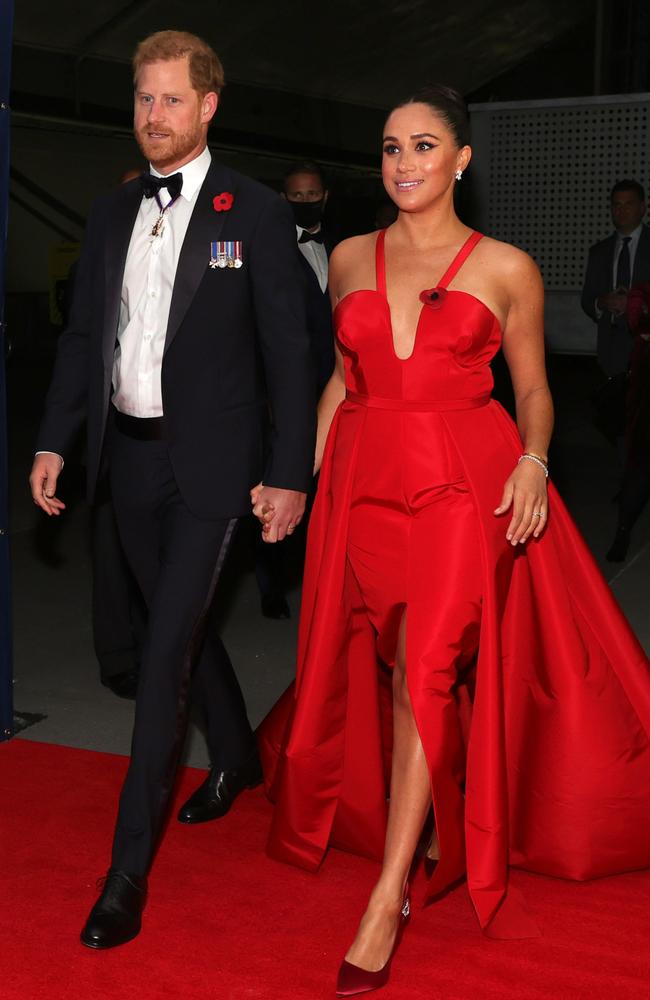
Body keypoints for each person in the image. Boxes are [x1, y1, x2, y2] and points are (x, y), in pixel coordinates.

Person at [256, 86, 650, 996]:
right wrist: (300, 483)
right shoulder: (351, 256)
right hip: (363, 484)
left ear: (462, 159)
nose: (404, 163)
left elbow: (536, 390)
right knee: (397, 671)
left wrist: (535, 462)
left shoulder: (506, 265)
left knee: (429, 666)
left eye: (424, 146)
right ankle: (431, 814)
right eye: (391, 147)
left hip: (460, 489)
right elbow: (337, 385)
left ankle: (387, 895)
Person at [30, 30, 315, 949]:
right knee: (176, 625)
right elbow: (84, 342)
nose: (153, 115)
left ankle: (124, 875)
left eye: (170, 100)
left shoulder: (255, 214)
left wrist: (289, 470)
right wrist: (54, 443)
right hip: (128, 461)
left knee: (160, 662)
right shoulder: (114, 212)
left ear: (208, 106)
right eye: (143, 99)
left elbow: (290, 355)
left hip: (213, 470)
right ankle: (236, 759)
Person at [254, 159, 337, 620]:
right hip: (283, 393)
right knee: (280, 483)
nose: (304, 202)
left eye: (312, 195)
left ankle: (324, 578)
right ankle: (271, 583)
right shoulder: (267, 248)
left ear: (325, 196)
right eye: (296, 196)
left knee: (329, 489)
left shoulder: (349, 247)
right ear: (283, 199)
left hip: (339, 387)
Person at [581, 179, 650, 379]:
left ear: (642, 208)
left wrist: (635, 303)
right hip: (609, 348)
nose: (622, 210)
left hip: (645, 345)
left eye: (629, 204)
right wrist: (601, 302)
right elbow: (587, 300)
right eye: (617, 205)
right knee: (610, 409)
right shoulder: (599, 251)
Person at [607, 281, 650, 560]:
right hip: (648, 396)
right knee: (642, 466)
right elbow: (638, 319)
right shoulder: (643, 290)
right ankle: (622, 531)